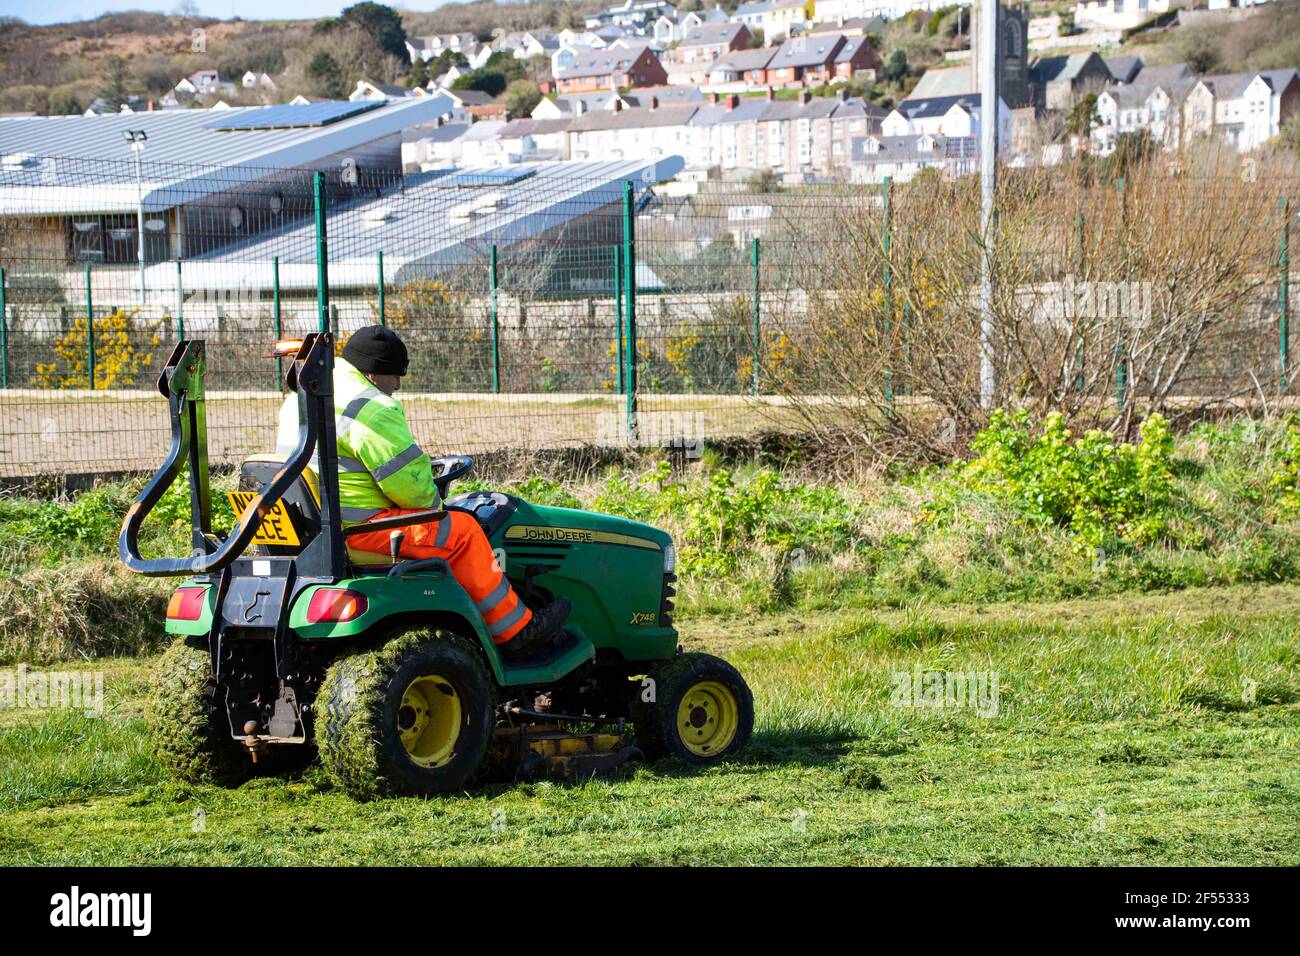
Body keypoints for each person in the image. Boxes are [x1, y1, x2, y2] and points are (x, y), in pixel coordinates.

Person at [276, 325, 569, 662]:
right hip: (360, 532)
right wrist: (437, 503)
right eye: (395, 377)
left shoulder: (305, 395)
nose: (397, 386)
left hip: (318, 528)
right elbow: (414, 492)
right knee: (464, 531)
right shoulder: (371, 407)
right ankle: (516, 632)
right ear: (373, 373)